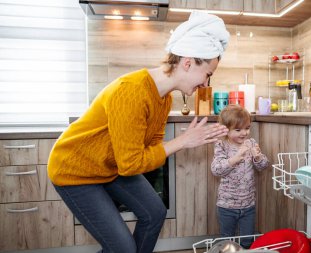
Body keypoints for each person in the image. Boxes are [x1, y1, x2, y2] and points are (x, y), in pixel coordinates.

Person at [47, 11, 230, 253]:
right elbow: (131, 164)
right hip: (75, 171)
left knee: (154, 212)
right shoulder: (132, 92)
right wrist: (182, 141)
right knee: (123, 248)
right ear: (187, 63)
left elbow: (148, 149)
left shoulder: (162, 98)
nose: (206, 85)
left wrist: (181, 142)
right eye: (207, 75)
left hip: (109, 166)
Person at [211, 104, 269, 249]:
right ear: (226, 130)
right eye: (238, 130)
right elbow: (216, 169)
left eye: (247, 128)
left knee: (247, 241)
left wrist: (257, 157)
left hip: (248, 204)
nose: (244, 133)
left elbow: (263, 166)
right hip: (227, 205)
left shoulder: (251, 143)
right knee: (227, 240)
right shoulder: (222, 145)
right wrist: (234, 159)